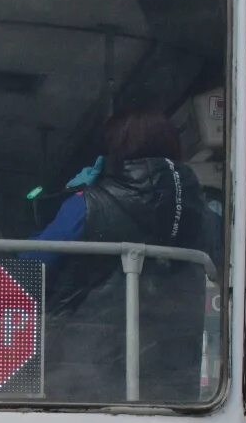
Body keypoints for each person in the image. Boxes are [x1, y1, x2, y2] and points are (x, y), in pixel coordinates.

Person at [27, 110, 221, 401]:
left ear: (114, 152)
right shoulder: (205, 216)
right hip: (176, 378)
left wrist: (67, 196)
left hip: (81, 373)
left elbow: (30, 266)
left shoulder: (86, 206)